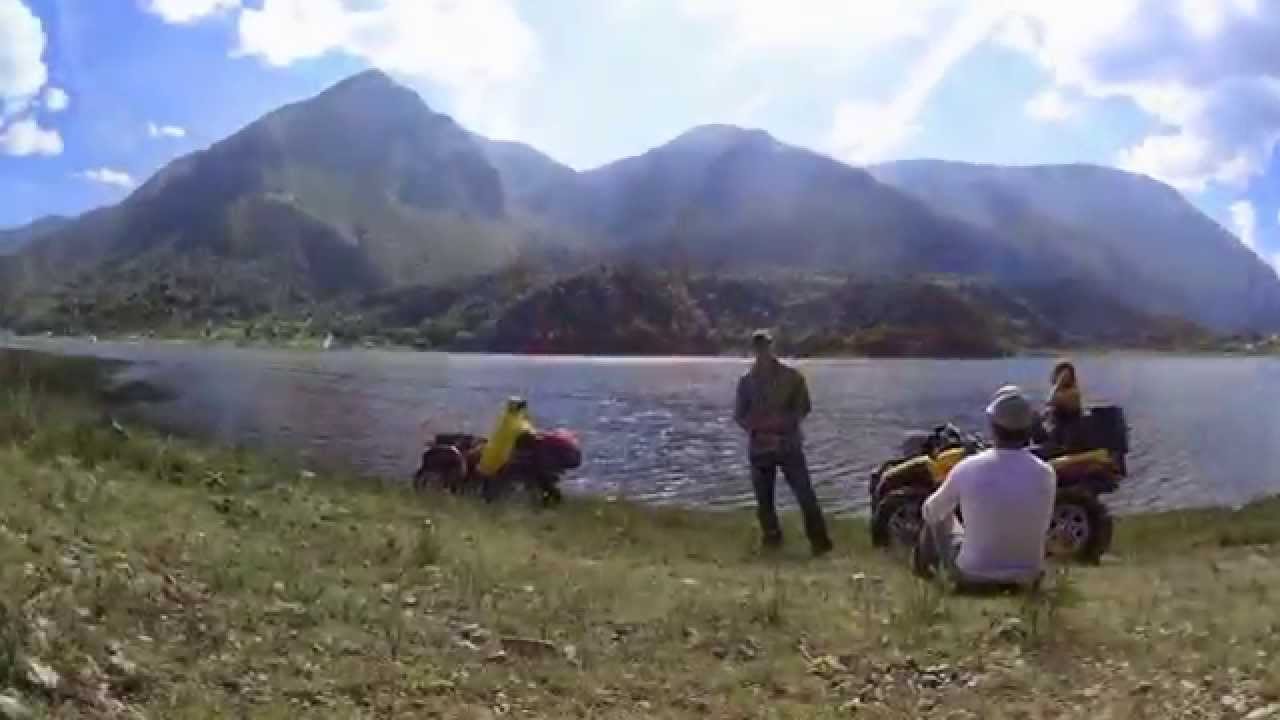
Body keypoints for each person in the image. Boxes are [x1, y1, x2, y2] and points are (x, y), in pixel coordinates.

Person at [914, 385, 1055, 589]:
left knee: (937, 514)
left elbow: (930, 511)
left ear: (993, 426)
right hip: (1029, 577)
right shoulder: (1047, 473)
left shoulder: (968, 466)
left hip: (973, 577)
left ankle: (925, 577)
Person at [734, 330, 833, 556]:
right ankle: (772, 541)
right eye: (757, 347)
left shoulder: (792, 377)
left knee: (805, 495)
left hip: (788, 446)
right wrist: (757, 427)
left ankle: (820, 543)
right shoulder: (746, 382)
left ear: (771, 346)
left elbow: (804, 407)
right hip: (759, 448)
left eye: (765, 346)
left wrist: (782, 424)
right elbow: (739, 415)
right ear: (753, 349)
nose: (762, 351)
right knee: (764, 500)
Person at [1045, 361, 1084, 450]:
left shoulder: (1073, 392)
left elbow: (1051, 401)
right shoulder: (1058, 391)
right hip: (1056, 431)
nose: (1064, 378)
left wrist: (1058, 384)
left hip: (1069, 436)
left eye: (1066, 375)